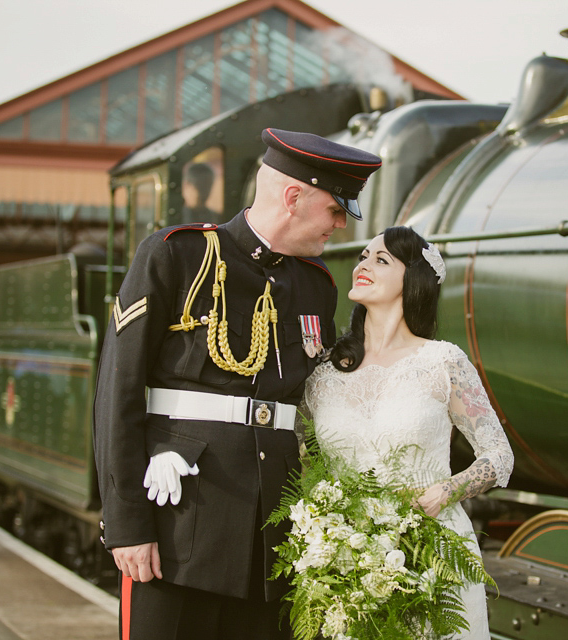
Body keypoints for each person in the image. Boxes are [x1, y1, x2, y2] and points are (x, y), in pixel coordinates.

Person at [93, 128, 382, 640]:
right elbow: (117, 394)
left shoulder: (316, 286)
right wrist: (127, 524)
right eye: (336, 211)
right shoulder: (177, 255)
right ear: (294, 197)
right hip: (180, 518)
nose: (340, 225)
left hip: (274, 532)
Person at [302, 226, 514, 639]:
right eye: (363, 256)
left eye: (381, 260)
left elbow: (498, 455)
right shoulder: (323, 373)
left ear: (413, 279)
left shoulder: (443, 362)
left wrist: (446, 492)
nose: (363, 265)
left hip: (432, 553)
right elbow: (302, 461)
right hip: (347, 559)